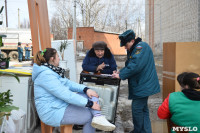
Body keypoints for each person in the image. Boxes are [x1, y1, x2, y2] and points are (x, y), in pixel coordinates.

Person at [32, 48, 115, 133]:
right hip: (52, 112)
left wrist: (86, 89)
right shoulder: (46, 75)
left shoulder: (51, 70)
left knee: (92, 94)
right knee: (89, 116)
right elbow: (65, 95)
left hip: (59, 104)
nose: (59, 58)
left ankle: (98, 116)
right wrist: (89, 104)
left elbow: (68, 83)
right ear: (52, 59)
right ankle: (97, 117)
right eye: (57, 56)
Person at [112, 29, 160, 133]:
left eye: (125, 44)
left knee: (137, 109)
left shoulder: (141, 47)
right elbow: (130, 65)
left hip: (143, 84)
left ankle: (138, 131)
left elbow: (135, 65)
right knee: (143, 110)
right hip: (142, 84)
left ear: (132, 41)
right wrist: (120, 73)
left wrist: (121, 76)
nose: (125, 47)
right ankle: (146, 131)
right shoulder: (134, 49)